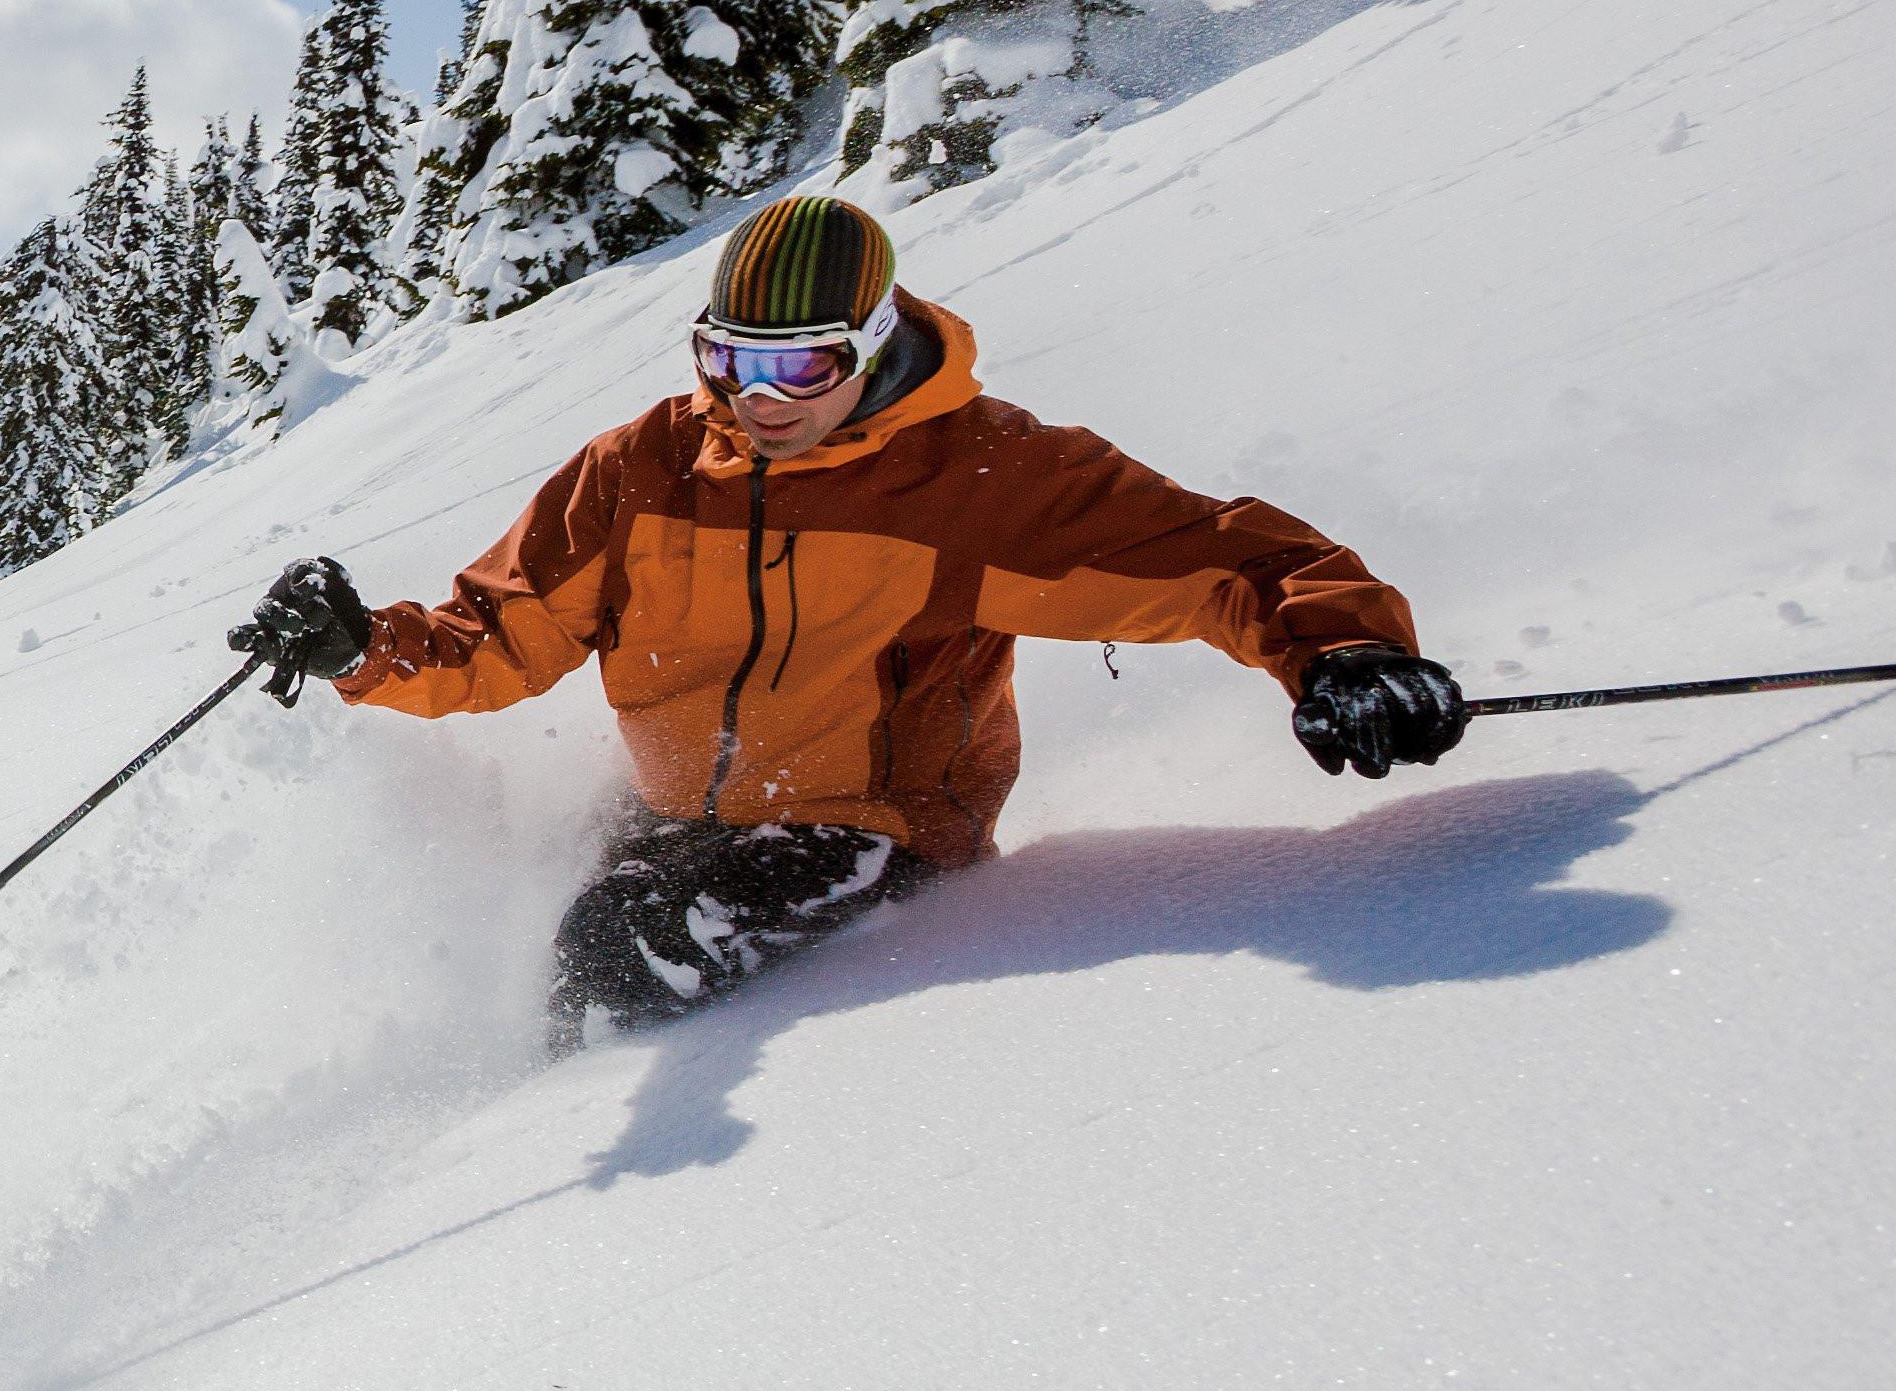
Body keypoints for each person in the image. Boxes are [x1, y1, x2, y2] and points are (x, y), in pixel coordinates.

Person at [225, 192, 1469, 1038]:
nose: (759, 399)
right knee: (538, 938)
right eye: (728, 358)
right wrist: (362, 648)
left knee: (618, 953)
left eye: (802, 365)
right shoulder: (641, 471)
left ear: (871, 345)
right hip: (679, 811)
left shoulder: (977, 478)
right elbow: (496, 641)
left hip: (872, 827)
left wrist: (1346, 653)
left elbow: (1219, 560)